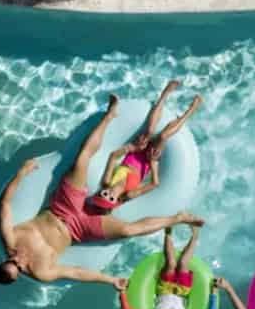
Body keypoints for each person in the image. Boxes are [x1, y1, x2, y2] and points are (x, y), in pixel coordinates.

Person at [0, 94, 203, 287]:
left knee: (82, 159)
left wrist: (22, 173)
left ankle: (110, 115)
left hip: (61, 207)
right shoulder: (41, 271)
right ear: (21, 274)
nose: (21, 260)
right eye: (20, 268)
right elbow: (75, 273)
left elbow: (5, 203)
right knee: (127, 231)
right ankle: (178, 218)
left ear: (7, 259)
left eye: (14, 260)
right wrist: (110, 279)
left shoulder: (11, 238)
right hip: (79, 229)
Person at [86, 79, 202, 213]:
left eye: (104, 194)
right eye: (110, 198)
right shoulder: (129, 194)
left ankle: (164, 95)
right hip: (149, 160)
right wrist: (153, 162)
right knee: (163, 136)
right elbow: (154, 184)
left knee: (150, 131)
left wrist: (131, 147)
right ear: (115, 201)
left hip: (134, 152)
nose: (109, 193)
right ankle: (190, 111)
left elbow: (113, 157)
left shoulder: (107, 181)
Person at [119, 225, 221, 309]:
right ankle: (195, 235)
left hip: (164, 289)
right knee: (183, 263)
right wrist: (214, 291)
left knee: (171, 263)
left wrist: (122, 291)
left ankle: (168, 234)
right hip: (182, 291)